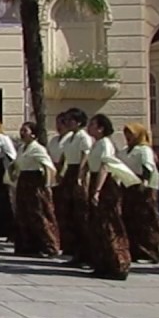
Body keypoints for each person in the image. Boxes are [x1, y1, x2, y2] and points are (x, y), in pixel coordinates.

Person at [84, 114, 137, 280]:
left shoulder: (105, 144)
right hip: (95, 181)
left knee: (109, 224)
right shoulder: (96, 144)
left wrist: (97, 190)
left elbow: (105, 167)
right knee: (98, 225)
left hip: (106, 186)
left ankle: (117, 264)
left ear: (101, 128)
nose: (89, 127)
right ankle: (102, 263)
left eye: (92, 124)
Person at [7, 121, 61, 258]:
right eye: (21, 130)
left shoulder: (38, 149)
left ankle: (50, 246)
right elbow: (17, 164)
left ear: (33, 134)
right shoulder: (22, 148)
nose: (22, 133)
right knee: (23, 214)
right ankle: (27, 246)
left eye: (25, 130)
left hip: (35, 182)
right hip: (23, 182)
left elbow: (48, 166)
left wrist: (47, 185)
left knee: (39, 214)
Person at [119, 123, 159, 264]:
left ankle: (150, 253)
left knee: (146, 220)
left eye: (130, 134)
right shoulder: (126, 150)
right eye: (126, 134)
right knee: (131, 219)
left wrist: (144, 182)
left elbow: (147, 167)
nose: (127, 137)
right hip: (129, 185)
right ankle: (134, 250)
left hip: (143, 187)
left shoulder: (144, 150)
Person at [57, 109, 92, 263]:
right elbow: (64, 155)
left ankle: (84, 252)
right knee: (67, 210)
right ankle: (70, 247)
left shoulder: (83, 137)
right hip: (69, 172)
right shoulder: (70, 138)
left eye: (71, 120)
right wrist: (60, 171)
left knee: (80, 212)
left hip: (78, 171)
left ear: (78, 122)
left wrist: (80, 175)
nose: (67, 122)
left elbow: (85, 156)